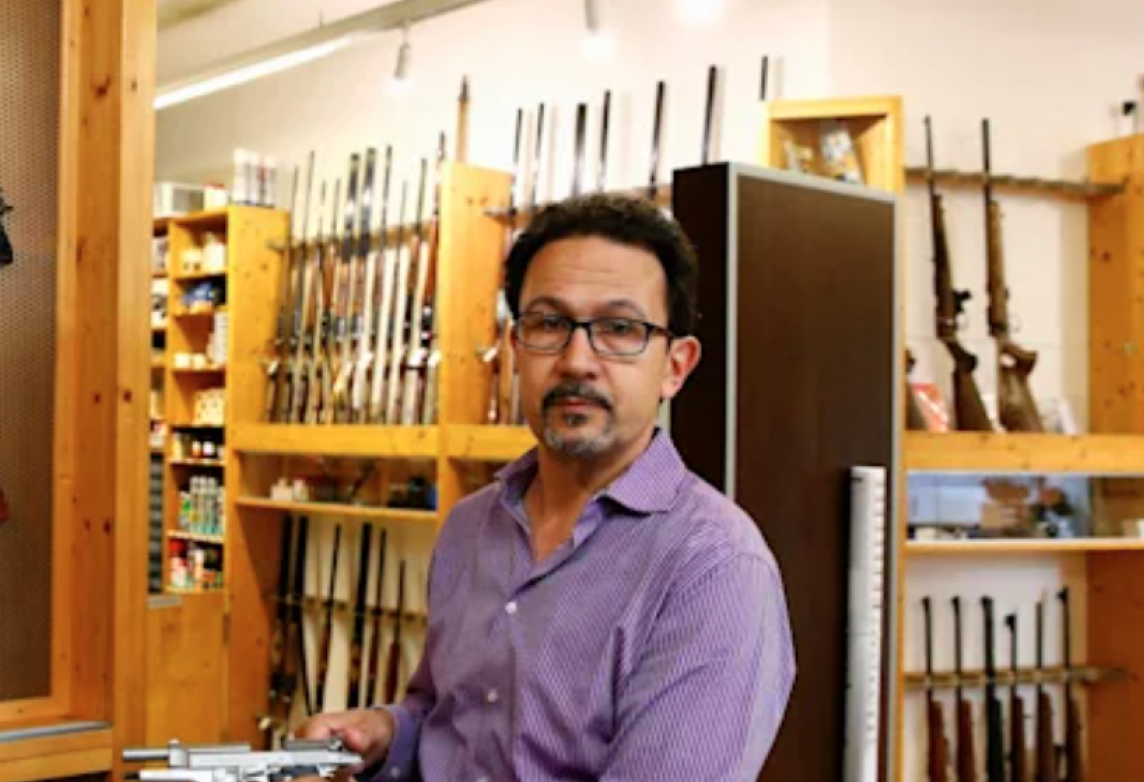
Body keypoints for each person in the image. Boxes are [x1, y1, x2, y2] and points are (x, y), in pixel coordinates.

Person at [299, 194, 795, 782]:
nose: (577, 360)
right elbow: (441, 715)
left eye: (619, 328)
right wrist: (386, 733)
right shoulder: (470, 526)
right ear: (515, 348)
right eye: (549, 324)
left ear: (675, 366)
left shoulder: (714, 569)